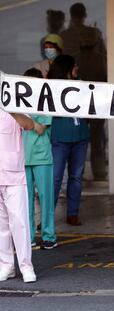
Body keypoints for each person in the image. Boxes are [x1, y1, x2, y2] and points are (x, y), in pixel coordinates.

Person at [61, 2, 107, 181]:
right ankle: (99, 171)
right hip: (96, 101)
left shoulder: (67, 42)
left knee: (77, 138)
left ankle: (76, 172)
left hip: (77, 101)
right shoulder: (100, 59)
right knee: (96, 138)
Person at [49, 55, 89, 226]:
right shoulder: (51, 86)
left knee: (76, 177)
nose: (77, 68)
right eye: (74, 65)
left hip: (80, 137)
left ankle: (73, 213)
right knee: (55, 177)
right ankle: (47, 217)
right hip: (60, 138)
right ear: (66, 69)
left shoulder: (82, 84)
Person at [0, 110, 37, 282]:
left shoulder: (14, 102)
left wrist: (11, 110)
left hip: (14, 175)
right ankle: (6, 265)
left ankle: (26, 266)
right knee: (1, 226)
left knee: (20, 223)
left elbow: (30, 125)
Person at [22, 68, 57, 249]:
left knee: (46, 199)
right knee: (25, 201)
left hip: (42, 157)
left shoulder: (45, 102)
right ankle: (28, 238)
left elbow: (41, 128)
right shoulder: (18, 103)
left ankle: (49, 235)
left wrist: (25, 118)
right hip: (23, 158)